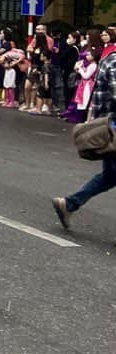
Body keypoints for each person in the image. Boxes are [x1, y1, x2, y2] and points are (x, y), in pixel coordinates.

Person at [53, 29, 116, 230]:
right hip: (113, 129)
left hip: (110, 128)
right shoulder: (114, 62)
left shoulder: (110, 59)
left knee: (110, 176)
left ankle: (69, 204)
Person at [62, 33, 99, 124]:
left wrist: (80, 69)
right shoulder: (85, 46)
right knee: (79, 98)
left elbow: (86, 75)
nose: (87, 37)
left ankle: (83, 118)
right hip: (82, 80)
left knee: (85, 100)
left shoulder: (93, 64)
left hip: (87, 82)